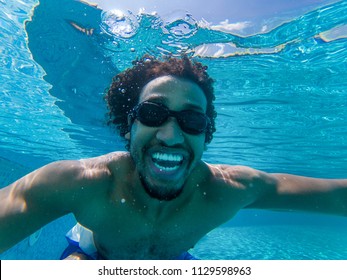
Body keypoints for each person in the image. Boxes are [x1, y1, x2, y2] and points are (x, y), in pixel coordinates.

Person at [0, 55, 346, 260]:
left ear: (205, 133)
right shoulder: (82, 183)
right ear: (128, 126)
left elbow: (335, 196)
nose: (171, 135)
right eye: (152, 114)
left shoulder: (231, 189)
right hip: (93, 255)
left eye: (192, 120)